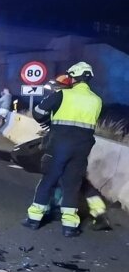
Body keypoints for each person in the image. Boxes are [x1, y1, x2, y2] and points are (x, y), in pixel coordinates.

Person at [23, 61, 102, 237]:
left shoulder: (62, 95)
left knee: (48, 180)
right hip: (82, 149)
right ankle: (69, 226)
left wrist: (49, 123)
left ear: (74, 77)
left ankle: (34, 219)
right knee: (72, 185)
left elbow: (38, 112)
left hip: (58, 145)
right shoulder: (97, 101)